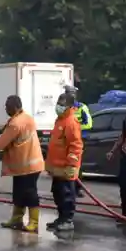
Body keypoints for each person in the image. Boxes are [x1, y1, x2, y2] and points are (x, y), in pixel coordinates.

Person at [0, 94, 45, 233]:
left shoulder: (16, 123)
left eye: (7, 106)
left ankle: (33, 222)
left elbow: (1, 142)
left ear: (15, 106)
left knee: (29, 193)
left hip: (28, 165)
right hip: (25, 165)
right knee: (19, 193)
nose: (5, 108)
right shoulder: (26, 118)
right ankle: (16, 219)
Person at [45, 92, 84, 232]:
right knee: (58, 193)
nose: (58, 106)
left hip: (66, 167)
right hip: (57, 167)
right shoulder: (60, 120)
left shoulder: (71, 122)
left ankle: (67, 220)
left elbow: (76, 145)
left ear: (69, 105)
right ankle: (61, 218)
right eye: (58, 103)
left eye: (61, 104)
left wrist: (71, 164)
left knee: (67, 194)